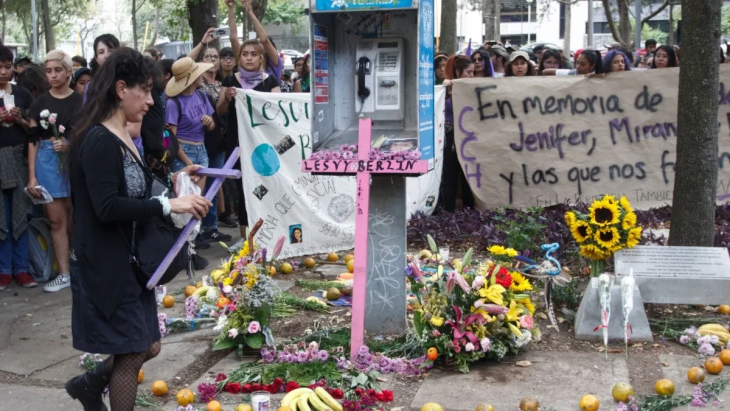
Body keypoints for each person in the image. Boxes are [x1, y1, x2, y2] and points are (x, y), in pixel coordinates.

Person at [64, 47, 210, 411]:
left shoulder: (123, 133)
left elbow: (135, 188)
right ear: (120, 89)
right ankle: (90, 387)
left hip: (128, 262)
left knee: (148, 345)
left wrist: (175, 180)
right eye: (144, 91)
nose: (150, 101)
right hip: (106, 266)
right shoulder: (98, 139)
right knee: (133, 351)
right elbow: (107, 207)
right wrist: (168, 205)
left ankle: (88, 384)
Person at [26, 50, 82, 293]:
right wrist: (32, 176)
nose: (53, 75)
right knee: (57, 220)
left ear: (69, 71)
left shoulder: (80, 100)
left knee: (77, 217)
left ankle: (82, 267)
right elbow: (33, 141)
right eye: (48, 71)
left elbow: (87, 132)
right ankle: (64, 273)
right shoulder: (39, 102)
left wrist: (70, 144)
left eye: (58, 70)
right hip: (47, 162)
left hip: (73, 160)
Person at [217, 36, 281, 249]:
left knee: (264, 187)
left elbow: (278, 111)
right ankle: (245, 239)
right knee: (244, 189)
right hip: (238, 144)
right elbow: (220, 111)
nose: (249, 58)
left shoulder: (271, 82)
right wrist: (227, 98)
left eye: (254, 54)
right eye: (245, 54)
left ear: (261, 58)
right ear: (239, 58)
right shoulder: (230, 81)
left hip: (263, 145)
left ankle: (267, 233)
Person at [187, 28, 234, 243]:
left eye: (216, 57)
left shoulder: (224, 82)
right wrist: (202, 42)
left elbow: (220, 111)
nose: (213, 61)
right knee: (199, 186)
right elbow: (184, 65)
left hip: (218, 138)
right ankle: (195, 230)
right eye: (208, 57)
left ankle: (211, 227)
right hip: (198, 140)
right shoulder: (197, 83)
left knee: (215, 184)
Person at [0, 45, 35, 290]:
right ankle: (4, 270)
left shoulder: (22, 94)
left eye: (7, 66)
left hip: (20, 160)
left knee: (21, 214)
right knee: (2, 216)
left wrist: (20, 119)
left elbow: (33, 129)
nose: (3, 72)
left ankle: (22, 268)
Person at [439, 55, 474, 212]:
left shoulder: (472, 89)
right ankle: (448, 214)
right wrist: (444, 90)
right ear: (458, 72)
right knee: (450, 177)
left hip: (468, 138)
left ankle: (469, 214)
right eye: (469, 72)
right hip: (449, 139)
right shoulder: (444, 89)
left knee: (469, 177)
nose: (472, 76)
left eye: (473, 73)